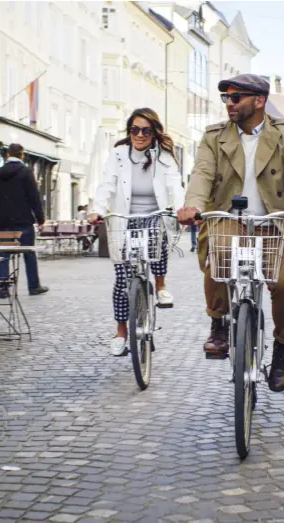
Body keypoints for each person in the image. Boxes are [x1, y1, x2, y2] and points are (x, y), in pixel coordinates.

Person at [177, 73, 284, 393]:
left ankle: (283, 349)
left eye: (236, 97)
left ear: (259, 101)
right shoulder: (214, 136)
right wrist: (192, 205)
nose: (229, 104)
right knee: (218, 260)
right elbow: (202, 173)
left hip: (276, 221)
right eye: (226, 98)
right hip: (229, 218)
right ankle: (219, 325)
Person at [87, 108, 184, 357]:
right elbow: (106, 184)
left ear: (154, 133)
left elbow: (175, 184)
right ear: (129, 131)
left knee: (157, 234)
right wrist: (96, 209)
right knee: (122, 280)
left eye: (145, 130)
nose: (139, 135)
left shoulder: (164, 157)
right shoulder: (118, 154)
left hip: (154, 215)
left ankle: (160, 285)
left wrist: (181, 208)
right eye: (134, 130)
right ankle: (121, 332)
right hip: (124, 219)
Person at [0, 143, 49, 297]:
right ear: (22, 155)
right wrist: (40, 219)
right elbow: (34, 197)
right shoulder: (26, 172)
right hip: (23, 221)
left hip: (3, 223)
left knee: (4, 256)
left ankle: (3, 289)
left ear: (8, 155)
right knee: (29, 253)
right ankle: (33, 286)